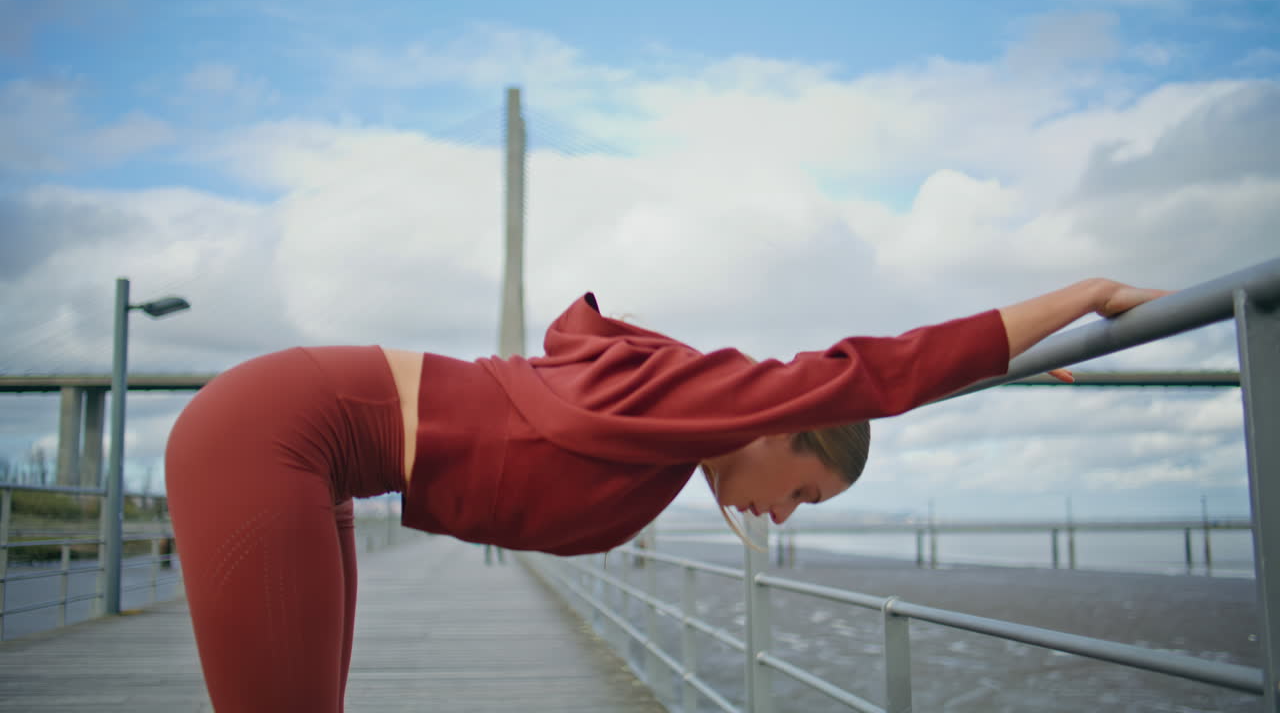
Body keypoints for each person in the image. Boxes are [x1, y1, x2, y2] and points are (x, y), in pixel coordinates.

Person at [164, 277, 1167, 711]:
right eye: (804, 491)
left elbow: (871, 387)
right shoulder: (705, 401)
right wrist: (1079, 299)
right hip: (279, 431)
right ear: (784, 426)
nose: (783, 515)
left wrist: (1009, 366)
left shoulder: (666, 435)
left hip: (317, 450)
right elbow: (879, 371)